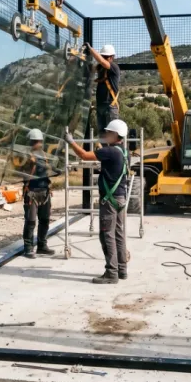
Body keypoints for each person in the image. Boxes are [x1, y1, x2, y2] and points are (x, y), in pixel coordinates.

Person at [65, 119, 129, 284]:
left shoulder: (110, 152)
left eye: (108, 132)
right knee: (119, 234)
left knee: (107, 235)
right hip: (120, 198)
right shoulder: (123, 151)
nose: (106, 134)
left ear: (116, 134)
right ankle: (122, 270)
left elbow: (84, 155)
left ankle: (111, 273)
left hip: (110, 200)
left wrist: (71, 141)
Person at [21, 128, 56, 259]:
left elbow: (48, 171)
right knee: (30, 222)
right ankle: (28, 247)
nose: (38, 144)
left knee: (44, 220)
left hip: (44, 191)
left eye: (39, 141)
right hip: (32, 192)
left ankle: (42, 245)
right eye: (35, 142)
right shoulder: (26, 156)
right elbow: (22, 172)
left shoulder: (44, 155)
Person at [88, 43, 121, 133]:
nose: (103, 59)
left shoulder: (114, 67)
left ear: (112, 57)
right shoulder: (100, 68)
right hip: (100, 106)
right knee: (102, 136)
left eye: (106, 57)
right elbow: (90, 68)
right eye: (103, 56)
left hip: (110, 106)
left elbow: (103, 62)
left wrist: (91, 49)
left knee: (112, 135)